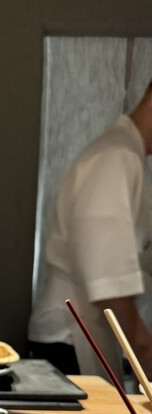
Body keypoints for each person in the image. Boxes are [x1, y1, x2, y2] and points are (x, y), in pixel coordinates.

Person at [28, 81, 152, 383]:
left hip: (83, 333)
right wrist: (145, 348)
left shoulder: (127, 154)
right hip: (68, 337)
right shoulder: (115, 156)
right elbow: (106, 275)